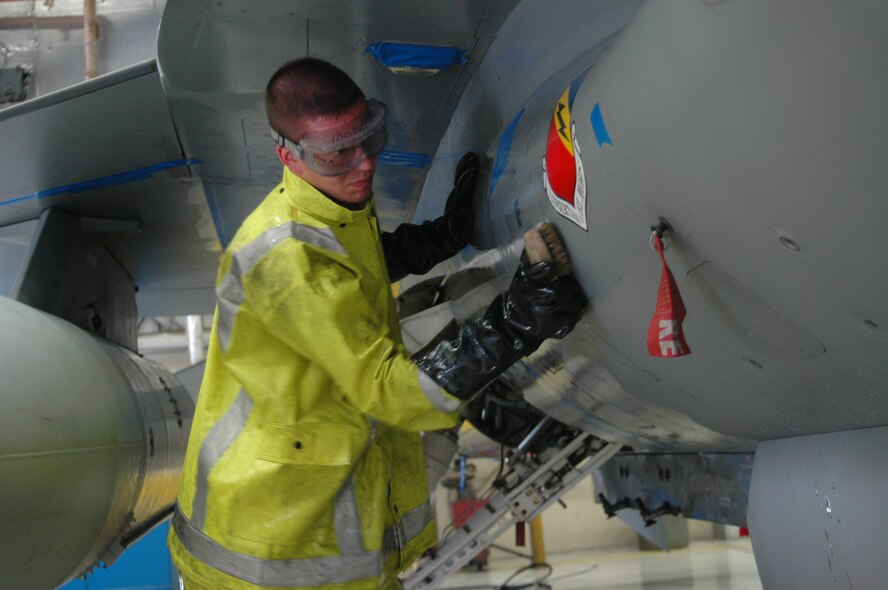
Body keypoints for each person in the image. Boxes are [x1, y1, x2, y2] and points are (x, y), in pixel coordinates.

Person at [168, 57, 587, 589]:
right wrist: (516, 324)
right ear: (288, 156)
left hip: (307, 525)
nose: (363, 164)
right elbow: (395, 394)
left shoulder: (327, 208)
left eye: (370, 138)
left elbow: (346, 275)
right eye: (336, 153)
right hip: (272, 553)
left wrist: (434, 240)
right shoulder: (289, 262)